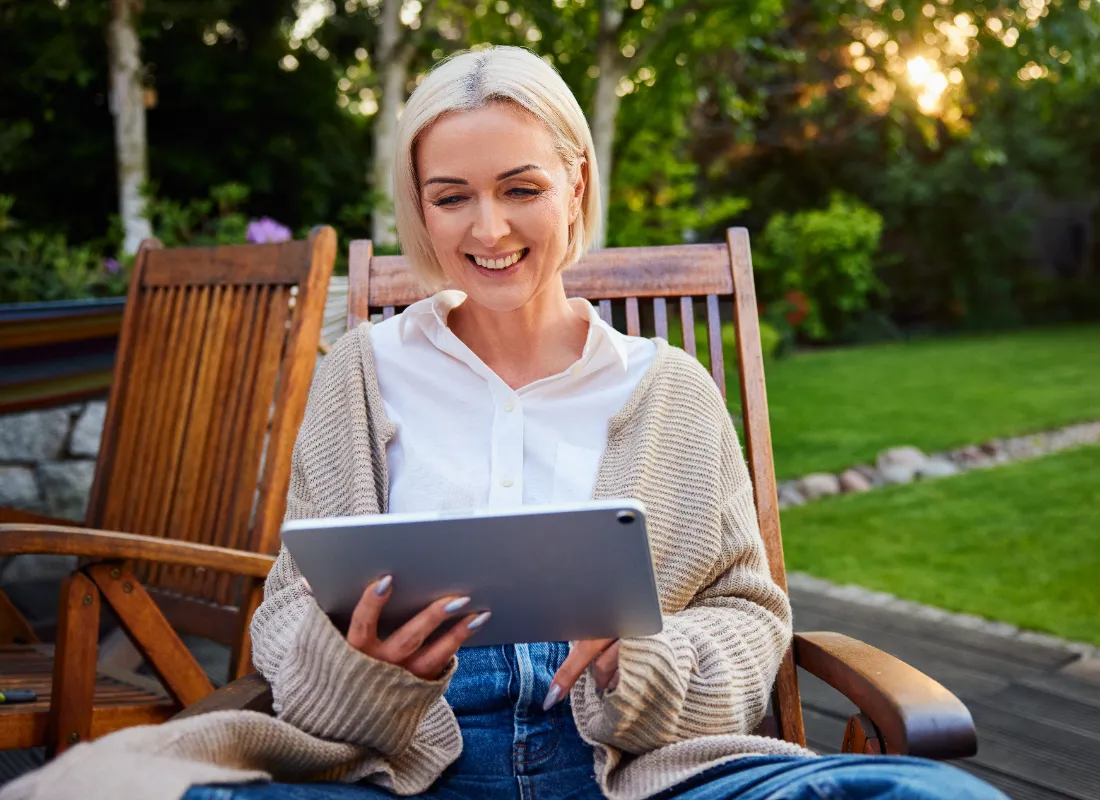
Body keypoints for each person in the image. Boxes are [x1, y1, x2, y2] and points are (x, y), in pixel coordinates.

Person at [0, 46, 1005, 800]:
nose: (487, 229)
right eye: (452, 198)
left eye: (520, 188)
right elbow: (288, 626)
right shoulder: (361, 373)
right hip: (401, 759)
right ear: (421, 211)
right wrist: (366, 661)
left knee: (930, 793)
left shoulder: (670, 389)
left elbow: (748, 620)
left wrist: (634, 657)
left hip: (641, 762)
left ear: (574, 181)